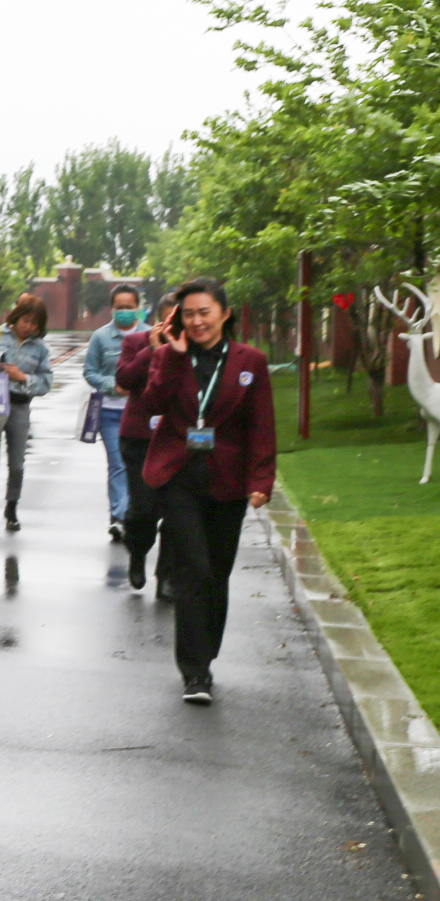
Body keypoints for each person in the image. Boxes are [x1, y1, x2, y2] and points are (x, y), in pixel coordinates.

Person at [124, 277, 275, 702]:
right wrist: (173, 357)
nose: (197, 321)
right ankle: (195, 671)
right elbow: (151, 404)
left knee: (217, 572)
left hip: (227, 481)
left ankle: (205, 651)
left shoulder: (250, 361)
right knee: (192, 569)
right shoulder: (169, 356)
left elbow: (261, 424)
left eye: (204, 312)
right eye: (188, 314)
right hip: (178, 478)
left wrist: (261, 480)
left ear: (224, 314)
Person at [116, 292, 179, 593]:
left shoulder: (191, 347)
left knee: (177, 511)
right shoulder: (135, 342)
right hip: (139, 437)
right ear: (157, 320)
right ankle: (138, 553)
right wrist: (152, 351)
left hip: (177, 440)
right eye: (167, 321)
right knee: (143, 509)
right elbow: (124, 379)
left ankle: (166, 575)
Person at [0, 294, 53, 538]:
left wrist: (23, 378)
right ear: (16, 317)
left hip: (20, 405)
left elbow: (46, 382)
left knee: (17, 463)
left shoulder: (40, 348)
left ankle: (11, 507)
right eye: (25, 321)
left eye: (34, 323)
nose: (28, 327)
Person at [83, 285, 146, 541]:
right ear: (112, 309)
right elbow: (90, 372)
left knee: (139, 465)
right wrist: (113, 385)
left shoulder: (150, 335)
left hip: (142, 413)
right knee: (118, 463)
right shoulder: (101, 337)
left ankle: (137, 512)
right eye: (119, 307)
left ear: (138, 307)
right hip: (110, 412)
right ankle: (119, 517)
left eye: (129, 307)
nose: (124, 311)